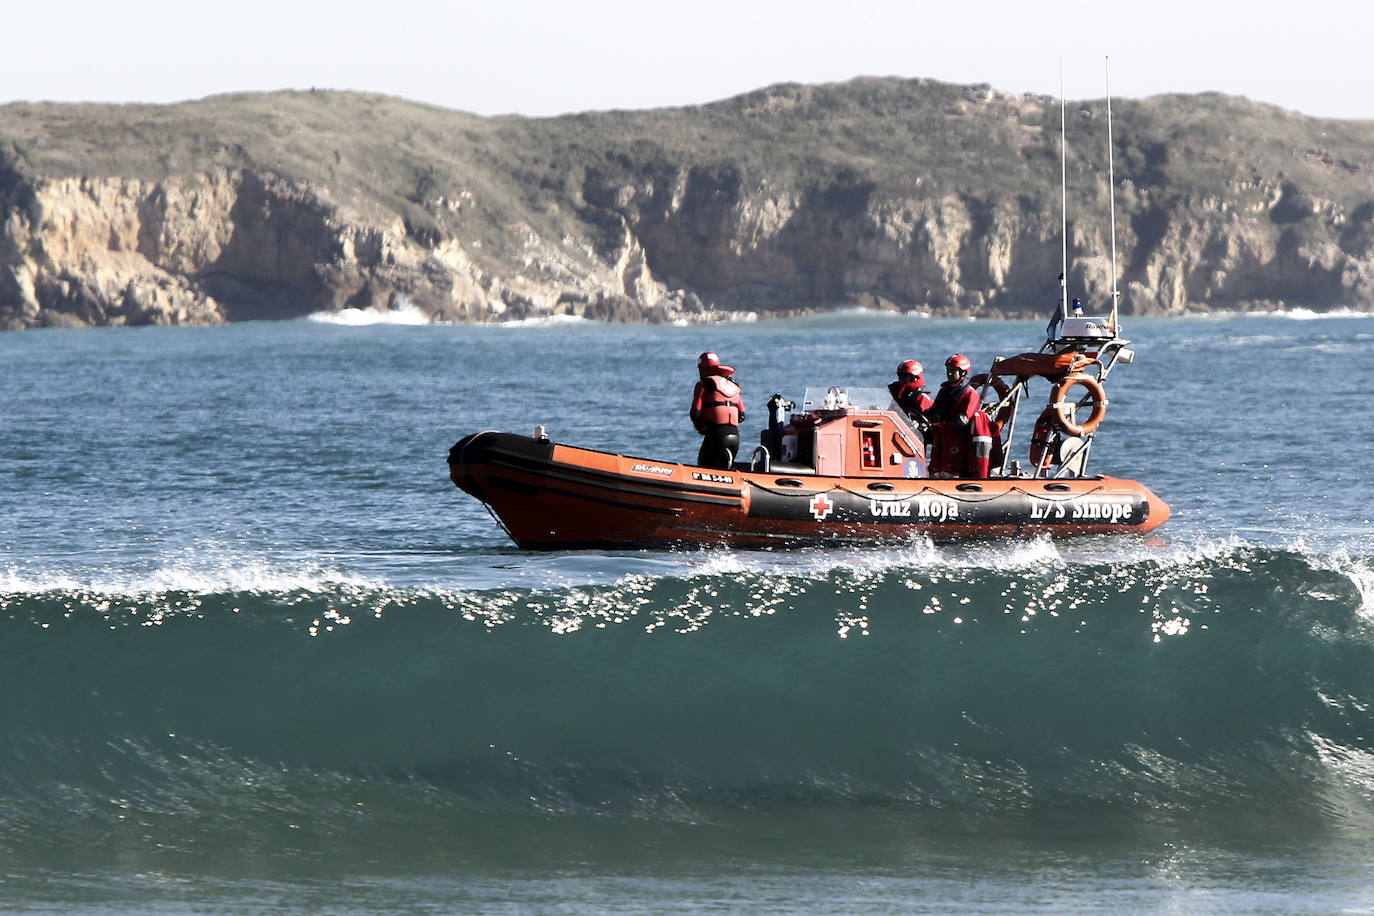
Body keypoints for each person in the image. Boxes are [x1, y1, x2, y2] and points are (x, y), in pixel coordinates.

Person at [926, 353, 993, 478]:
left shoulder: (969, 394)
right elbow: (934, 411)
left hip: (957, 443)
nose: (949, 374)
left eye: (953, 371)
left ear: (963, 373)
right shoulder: (945, 390)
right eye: (948, 370)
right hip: (940, 440)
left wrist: (939, 427)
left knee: (952, 473)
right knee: (936, 472)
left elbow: (962, 421)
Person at [690, 351, 745, 469]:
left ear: (703, 369)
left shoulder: (703, 384)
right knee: (724, 472)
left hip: (716, 435)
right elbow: (742, 416)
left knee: (704, 469)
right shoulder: (734, 384)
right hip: (734, 436)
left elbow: (695, 413)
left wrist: (701, 428)